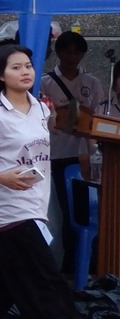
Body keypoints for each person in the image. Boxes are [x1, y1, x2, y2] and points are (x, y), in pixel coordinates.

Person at [0, 41, 99, 319]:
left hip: (37, 204)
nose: (25, 72)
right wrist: (3, 178)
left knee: (4, 281)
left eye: (28, 66)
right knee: (46, 281)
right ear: (1, 75)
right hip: (9, 210)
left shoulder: (42, 109)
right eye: (16, 67)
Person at [40, 30, 106, 278]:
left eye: (77, 52)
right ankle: (66, 264)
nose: (72, 57)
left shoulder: (92, 82)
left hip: (84, 154)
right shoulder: (45, 83)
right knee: (63, 213)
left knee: (86, 211)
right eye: (67, 52)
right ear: (58, 53)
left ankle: (88, 263)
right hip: (55, 155)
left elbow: (98, 117)